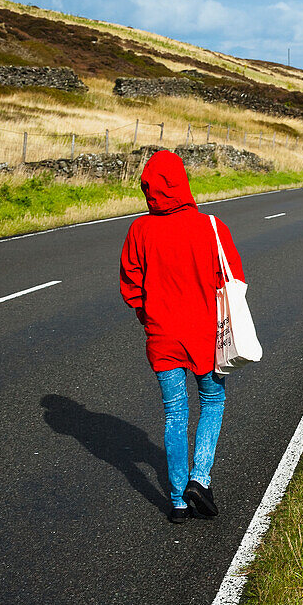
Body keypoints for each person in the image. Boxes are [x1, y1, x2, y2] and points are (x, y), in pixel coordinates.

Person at [119, 149, 245, 524]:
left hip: (162, 337)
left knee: (175, 412)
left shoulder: (139, 230)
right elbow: (233, 279)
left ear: (149, 188)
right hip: (206, 335)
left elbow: (131, 286)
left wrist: (150, 318)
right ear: (182, 181)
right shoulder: (211, 226)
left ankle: (176, 501)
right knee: (212, 402)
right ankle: (199, 479)